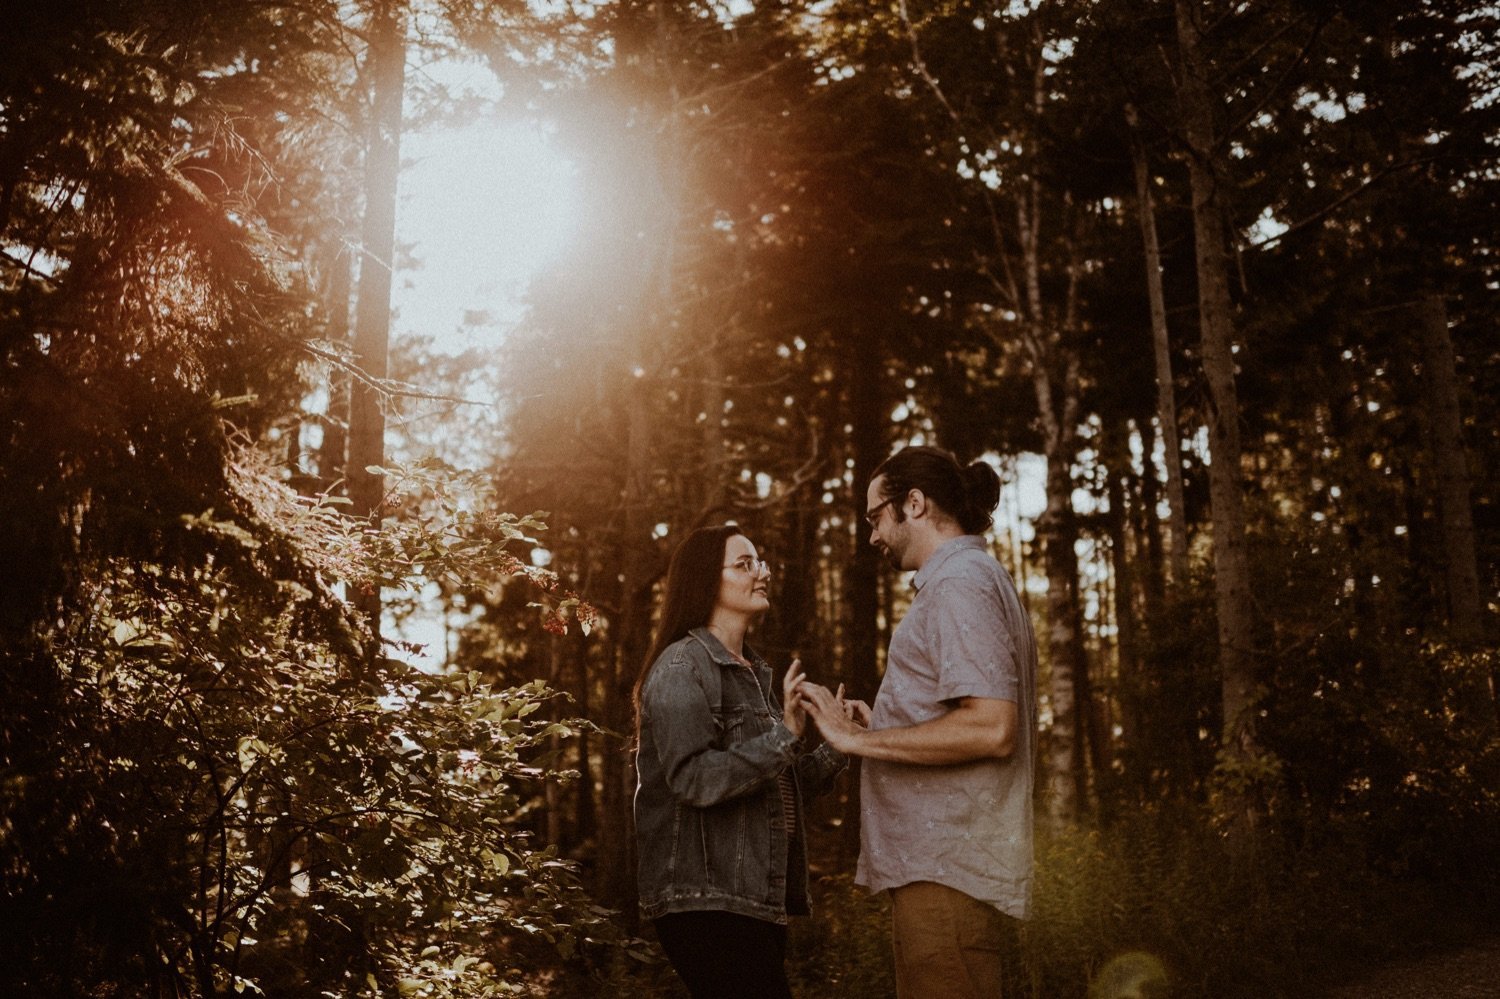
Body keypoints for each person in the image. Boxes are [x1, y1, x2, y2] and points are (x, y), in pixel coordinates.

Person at [802, 445, 1038, 999]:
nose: (871, 536)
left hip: (945, 874)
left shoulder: (959, 586)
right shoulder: (965, 582)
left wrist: (858, 740)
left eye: (873, 517)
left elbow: (990, 727)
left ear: (914, 503)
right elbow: (962, 712)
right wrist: (883, 720)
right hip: (941, 870)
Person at [633, 524, 851, 999]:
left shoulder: (752, 673)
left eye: (761, 562)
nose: (762, 572)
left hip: (754, 896)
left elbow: (776, 788)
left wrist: (841, 744)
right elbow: (694, 780)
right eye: (745, 563)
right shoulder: (682, 666)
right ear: (707, 581)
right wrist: (784, 735)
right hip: (705, 900)